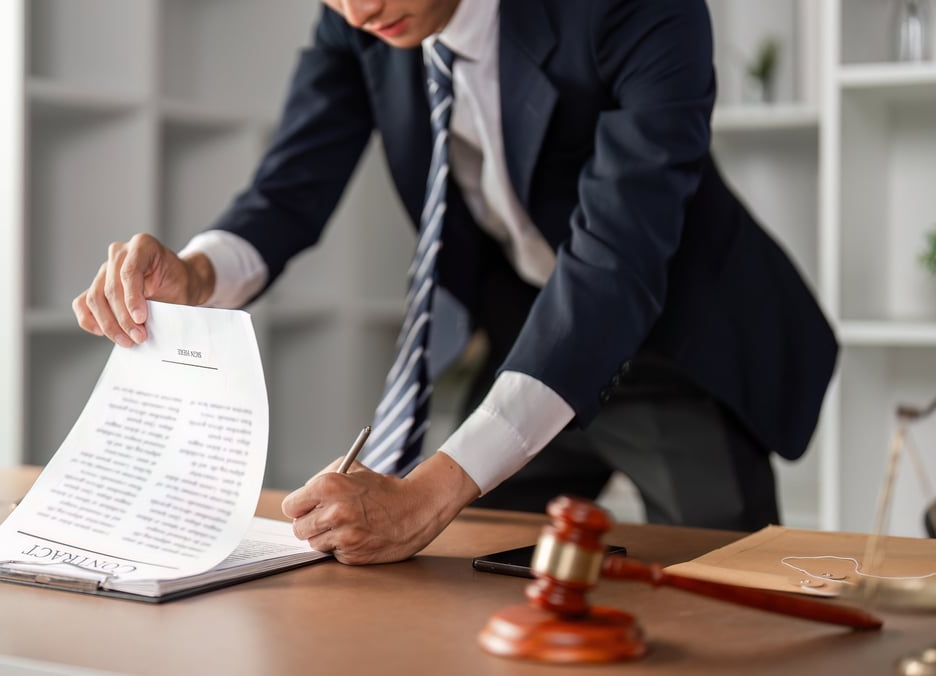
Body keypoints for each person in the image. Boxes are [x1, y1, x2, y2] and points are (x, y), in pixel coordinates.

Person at [73, 0, 837, 564]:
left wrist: (429, 490)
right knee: (453, 574)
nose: (358, 8)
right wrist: (197, 276)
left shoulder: (638, 8)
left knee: (735, 594)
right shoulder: (358, 16)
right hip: (526, 342)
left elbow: (616, 261)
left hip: (676, 340)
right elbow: (289, 188)